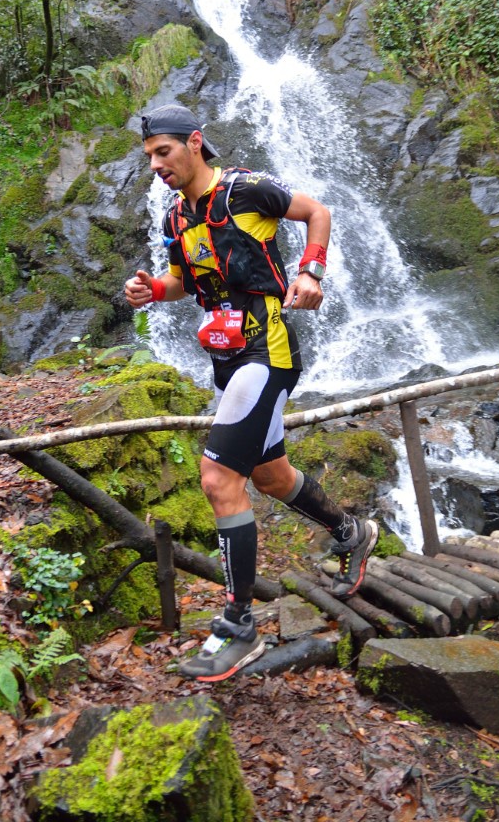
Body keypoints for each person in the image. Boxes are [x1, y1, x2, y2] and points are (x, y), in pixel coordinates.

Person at [124, 104, 378, 682]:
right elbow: (182, 281)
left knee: (217, 479)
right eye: (149, 158)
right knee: (269, 477)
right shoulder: (175, 219)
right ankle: (351, 531)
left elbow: (317, 210)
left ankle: (238, 627)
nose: (157, 164)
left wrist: (311, 272)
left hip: (267, 351)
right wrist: (149, 290)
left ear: (194, 143)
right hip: (224, 354)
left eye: (164, 152)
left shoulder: (247, 189)